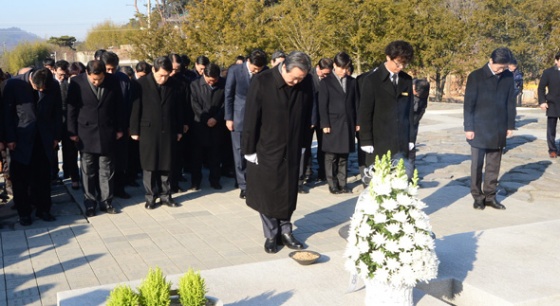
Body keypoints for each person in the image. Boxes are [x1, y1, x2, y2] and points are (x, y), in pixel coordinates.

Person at [242, 51, 314, 254]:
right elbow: (251, 116)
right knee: (268, 191)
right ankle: (271, 233)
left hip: (292, 146)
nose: (297, 81)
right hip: (267, 146)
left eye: (301, 78)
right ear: (284, 67)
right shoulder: (263, 81)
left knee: (288, 190)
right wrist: (249, 149)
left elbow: (307, 115)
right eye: (295, 77)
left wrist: (303, 144)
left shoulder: (305, 82)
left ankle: (286, 231)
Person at [3, 67, 62, 226]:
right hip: (20, 139)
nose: (42, 90)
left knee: (43, 176)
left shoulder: (53, 86)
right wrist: (9, 138)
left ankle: (44, 210)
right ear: (31, 80)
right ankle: (24, 213)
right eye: (38, 88)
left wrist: (57, 136)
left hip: (44, 138)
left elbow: (57, 112)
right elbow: (7, 114)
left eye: (44, 89)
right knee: (20, 178)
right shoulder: (14, 85)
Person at [67, 60, 125, 217]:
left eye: (100, 79)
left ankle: (106, 201)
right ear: (87, 73)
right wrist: (72, 131)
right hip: (85, 133)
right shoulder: (76, 82)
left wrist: (120, 128)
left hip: (108, 131)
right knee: (88, 170)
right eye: (94, 79)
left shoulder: (113, 81)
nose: (97, 82)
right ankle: (90, 203)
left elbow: (119, 105)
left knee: (107, 169)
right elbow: (71, 108)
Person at [464, 47, 516, 210]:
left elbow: (510, 102)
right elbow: (469, 104)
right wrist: (469, 127)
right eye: (499, 67)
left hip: (498, 127)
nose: (501, 70)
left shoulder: (508, 76)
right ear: (491, 61)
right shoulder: (476, 76)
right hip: (479, 127)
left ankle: (490, 196)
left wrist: (510, 125)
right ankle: (477, 196)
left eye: (504, 67)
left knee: (494, 164)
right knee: (477, 165)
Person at [130, 56, 184, 210]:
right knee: (149, 165)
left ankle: (166, 195)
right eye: (161, 75)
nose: (163, 78)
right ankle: (150, 197)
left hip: (168, 129)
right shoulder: (140, 84)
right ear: (153, 70)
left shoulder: (174, 84)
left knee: (166, 164)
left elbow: (179, 109)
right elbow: (135, 109)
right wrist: (134, 130)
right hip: (148, 129)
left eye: (167, 75)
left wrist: (179, 129)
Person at [358, 40, 415, 169]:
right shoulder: (372, 80)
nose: (400, 67)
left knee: (400, 181)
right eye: (398, 63)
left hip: (401, 140)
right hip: (379, 140)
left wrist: (411, 137)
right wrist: (366, 140)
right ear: (388, 57)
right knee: (381, 181)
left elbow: (410, 111)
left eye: (404, 64)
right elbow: (365, 113)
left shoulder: (406, 80)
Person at [224, 49, 268, 199]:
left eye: (259, 70)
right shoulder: (235, 70)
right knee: (239, 151)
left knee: (256, 151)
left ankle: (255, 182)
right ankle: (243, 185)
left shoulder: (265, 72)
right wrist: (229, 118)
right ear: (248, 61)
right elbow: (228, 95)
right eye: (254, 69)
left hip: (259, 118)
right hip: (239, 117)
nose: (256, 72)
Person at [319, 52, 357, 195]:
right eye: (341, 67)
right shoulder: (326, 82)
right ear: (334, 65)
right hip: (332, 123)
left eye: (346, 68)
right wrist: (325, 124)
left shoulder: (352, 82)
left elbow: (355, 103)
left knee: (344, 156)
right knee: (331, 156)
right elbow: (322, 105)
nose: (343, 71)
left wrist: (357, 121)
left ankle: (343, 183)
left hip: (347, 122)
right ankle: (332, 184)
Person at [100, 51, 133, 199]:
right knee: (105, 162)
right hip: (103, 128)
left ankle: (120, 188)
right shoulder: (98, 79)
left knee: (121, 160)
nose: (110, 72)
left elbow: (130, 104)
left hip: (122, 127)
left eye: (113, 69)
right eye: (107, 69)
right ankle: (104, 191)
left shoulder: (123, 79)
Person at [190, 63, 226, 190]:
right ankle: (195, 181)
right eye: (209, 80)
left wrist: (216, 118)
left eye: (214, 80)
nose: (212, 83)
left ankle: (215, 180)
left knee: (215, 155)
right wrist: (206, 119)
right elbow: (194, 105)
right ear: (204, 74)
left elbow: (225, 104)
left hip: (217, 125)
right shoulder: (194, 84)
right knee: (196, 157)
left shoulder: (223, 83)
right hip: (200, 124)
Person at [309, 58, 333, 182]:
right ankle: (307, 173)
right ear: (318, 68)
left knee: (323, 146)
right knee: (307, 146)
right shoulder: (309, 77)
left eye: (328, 74)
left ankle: (323, 172)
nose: (326, 76)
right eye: (324, 73)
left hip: (324, 118)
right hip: (310, 117)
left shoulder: (329, 79)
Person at [537, 52, 560, 158]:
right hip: (553, 104)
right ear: (556, 60)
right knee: (551, 129)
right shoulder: (548, 72)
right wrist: (542, 101)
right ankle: (552, 149)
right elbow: (541, 88)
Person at [409, 78, 430, 167]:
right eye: (414, 90)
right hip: (402, 120)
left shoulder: (423, 93)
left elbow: (422, 108)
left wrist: (415, 121)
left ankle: (410, 165)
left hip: (414, 121)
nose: (414, 92)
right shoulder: (408, 87)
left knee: (411, 144)